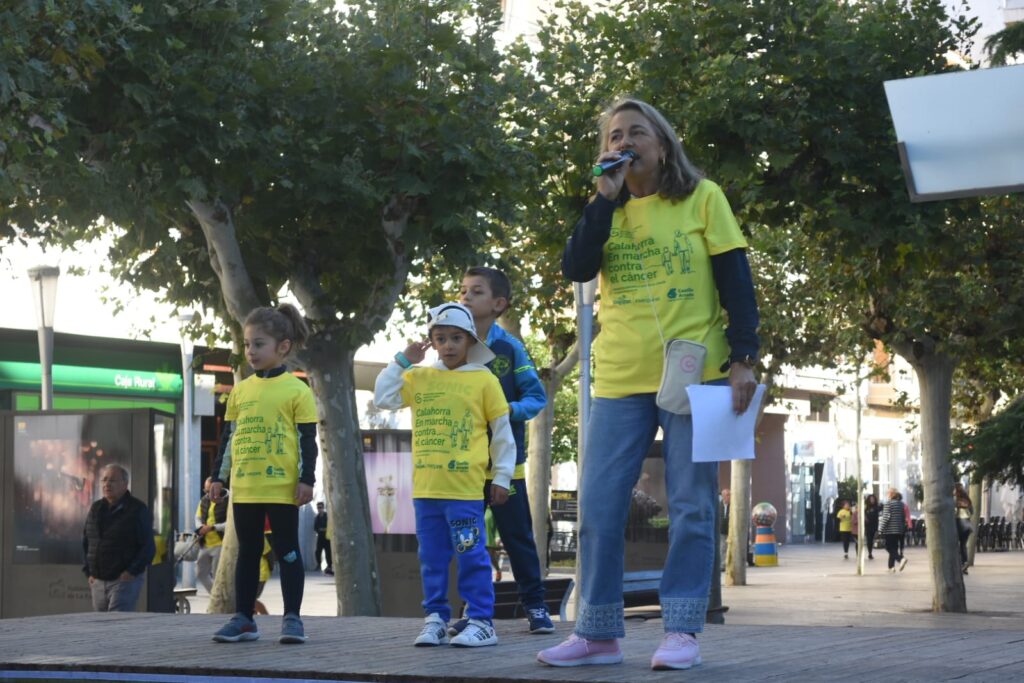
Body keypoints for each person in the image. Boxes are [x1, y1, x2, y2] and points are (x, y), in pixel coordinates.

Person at [538, 98, 760, 671]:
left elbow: (736, 280)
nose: (625, 142)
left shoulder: (703, 198)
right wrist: (603, 198)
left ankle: (681, 630)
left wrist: (744, 358)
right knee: (599, 506)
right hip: (618, 378)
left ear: (662, 146)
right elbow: (576, 268)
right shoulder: (605, 209)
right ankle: (597, 633)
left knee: (690, 505)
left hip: (694, 373)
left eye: (637, 132)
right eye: (614, 135)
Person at [374, 302, 516, 648]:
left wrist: (501, 477)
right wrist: (403, 360)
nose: (448, 345)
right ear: (432, 342)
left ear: (470, 340)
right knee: (431, 559)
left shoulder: (485, 380)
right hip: (426, 491)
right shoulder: (419, 377)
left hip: (464, 491)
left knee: (472, 556)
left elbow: (501, 432)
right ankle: (436, 618)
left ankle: (481, 621)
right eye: (440, 338)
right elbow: (383, 397)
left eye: (456, 338)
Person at [209, 304, 319, 644]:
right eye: (247, 344)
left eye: (259, 344)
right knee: (247, 552)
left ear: (283, 347)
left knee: (287, 551)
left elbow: (307, 441)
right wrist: (218, 477)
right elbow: (229, 439)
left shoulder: (297, 390)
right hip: (246, 489)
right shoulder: (241, 391)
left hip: (282, 489)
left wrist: (307, 480)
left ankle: (292, 618)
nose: (250, 351)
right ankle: (244, 618)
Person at [456, 265, 553, 635]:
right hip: (463, 466)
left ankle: (536, 607)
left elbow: (536, 397)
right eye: (463, 290)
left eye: (476, 291)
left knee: (518, 539)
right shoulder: (451, 345)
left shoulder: (510, 348)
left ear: (498, 304)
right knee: (467, 541)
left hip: (504, 466)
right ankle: (473, 611)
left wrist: (503, 411)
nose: (466, 296)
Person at [82, 463, 156, 612]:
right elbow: (87, 541)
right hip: (98, 581)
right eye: (104, 480)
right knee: (100, 623)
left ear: (125, 484)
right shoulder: (96, 508)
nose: (107, 484)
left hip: (123, 581)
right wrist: (89, 572)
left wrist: (131, 572)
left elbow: (148, 547)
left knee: (117, 623)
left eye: (112, 480)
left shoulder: (137, 510)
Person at [195, 477, 229, 594]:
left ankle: (219, 598)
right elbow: (197, 517)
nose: (207, 493)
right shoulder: (204, 500)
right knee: (200, 573)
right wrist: (200, 527)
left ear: (218, 488)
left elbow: (230, 523)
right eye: (206, 490)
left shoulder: (228, 500)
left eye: (210, 490)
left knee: (217, 575)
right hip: (205, 543)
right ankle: (215, 595)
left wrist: (213, 527)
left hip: (220, 543)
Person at [878, 488, 908, 573]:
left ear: (891, 494)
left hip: (890, 530)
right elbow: (903, 517)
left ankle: (900, 559)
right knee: (894, 548)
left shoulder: (888, 504)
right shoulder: (901, 504)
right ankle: (891, 567)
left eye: (888, 493)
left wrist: (880, 529)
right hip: (899, 530)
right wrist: (901, 529)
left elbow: (886, 517)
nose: (887, 494)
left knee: (888, 547)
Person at [954, 482, 974, 574]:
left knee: (956, 545)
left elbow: (953, 513)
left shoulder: (956, 500)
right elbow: (972, 512)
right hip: (968, 525)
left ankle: (960, 564)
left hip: (960, 523)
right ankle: (964, 563)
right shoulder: (968, 500)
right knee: (963, 545)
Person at [313, 502, 333, 575]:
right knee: (318, 552)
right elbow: (315, 527)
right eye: (318, 508)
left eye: (320, 507)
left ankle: (329, 566)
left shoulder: (327, 516)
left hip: (327, 537)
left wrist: (325, 529)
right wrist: (319, 530)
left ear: (323, 508)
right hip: (320, 537)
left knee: (328, 552)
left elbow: (330, 525)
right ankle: (319, 564)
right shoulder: (317, 517)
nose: (319, 509)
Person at [864, 493, 881, 560]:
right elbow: (862, 513)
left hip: (874, 525)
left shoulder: (876, 507)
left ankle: (870, 551)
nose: (872, 500)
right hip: (867, 525)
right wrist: (865, 518)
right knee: (869, 540)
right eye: (871, 499)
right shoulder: (866, 507)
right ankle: (870, 553)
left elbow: (881, 508)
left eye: (873, 499)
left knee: (873, 539)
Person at [719, 488, 731, 570]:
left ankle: (730, 564)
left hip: (731, 530)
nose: (729, 497)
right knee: (723, 547)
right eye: (727, 495)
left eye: (729, 495)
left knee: (730, 548)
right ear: (723, 496)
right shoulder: (718, 505)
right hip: (721, 530)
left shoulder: (733, 505)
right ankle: (723, 564)